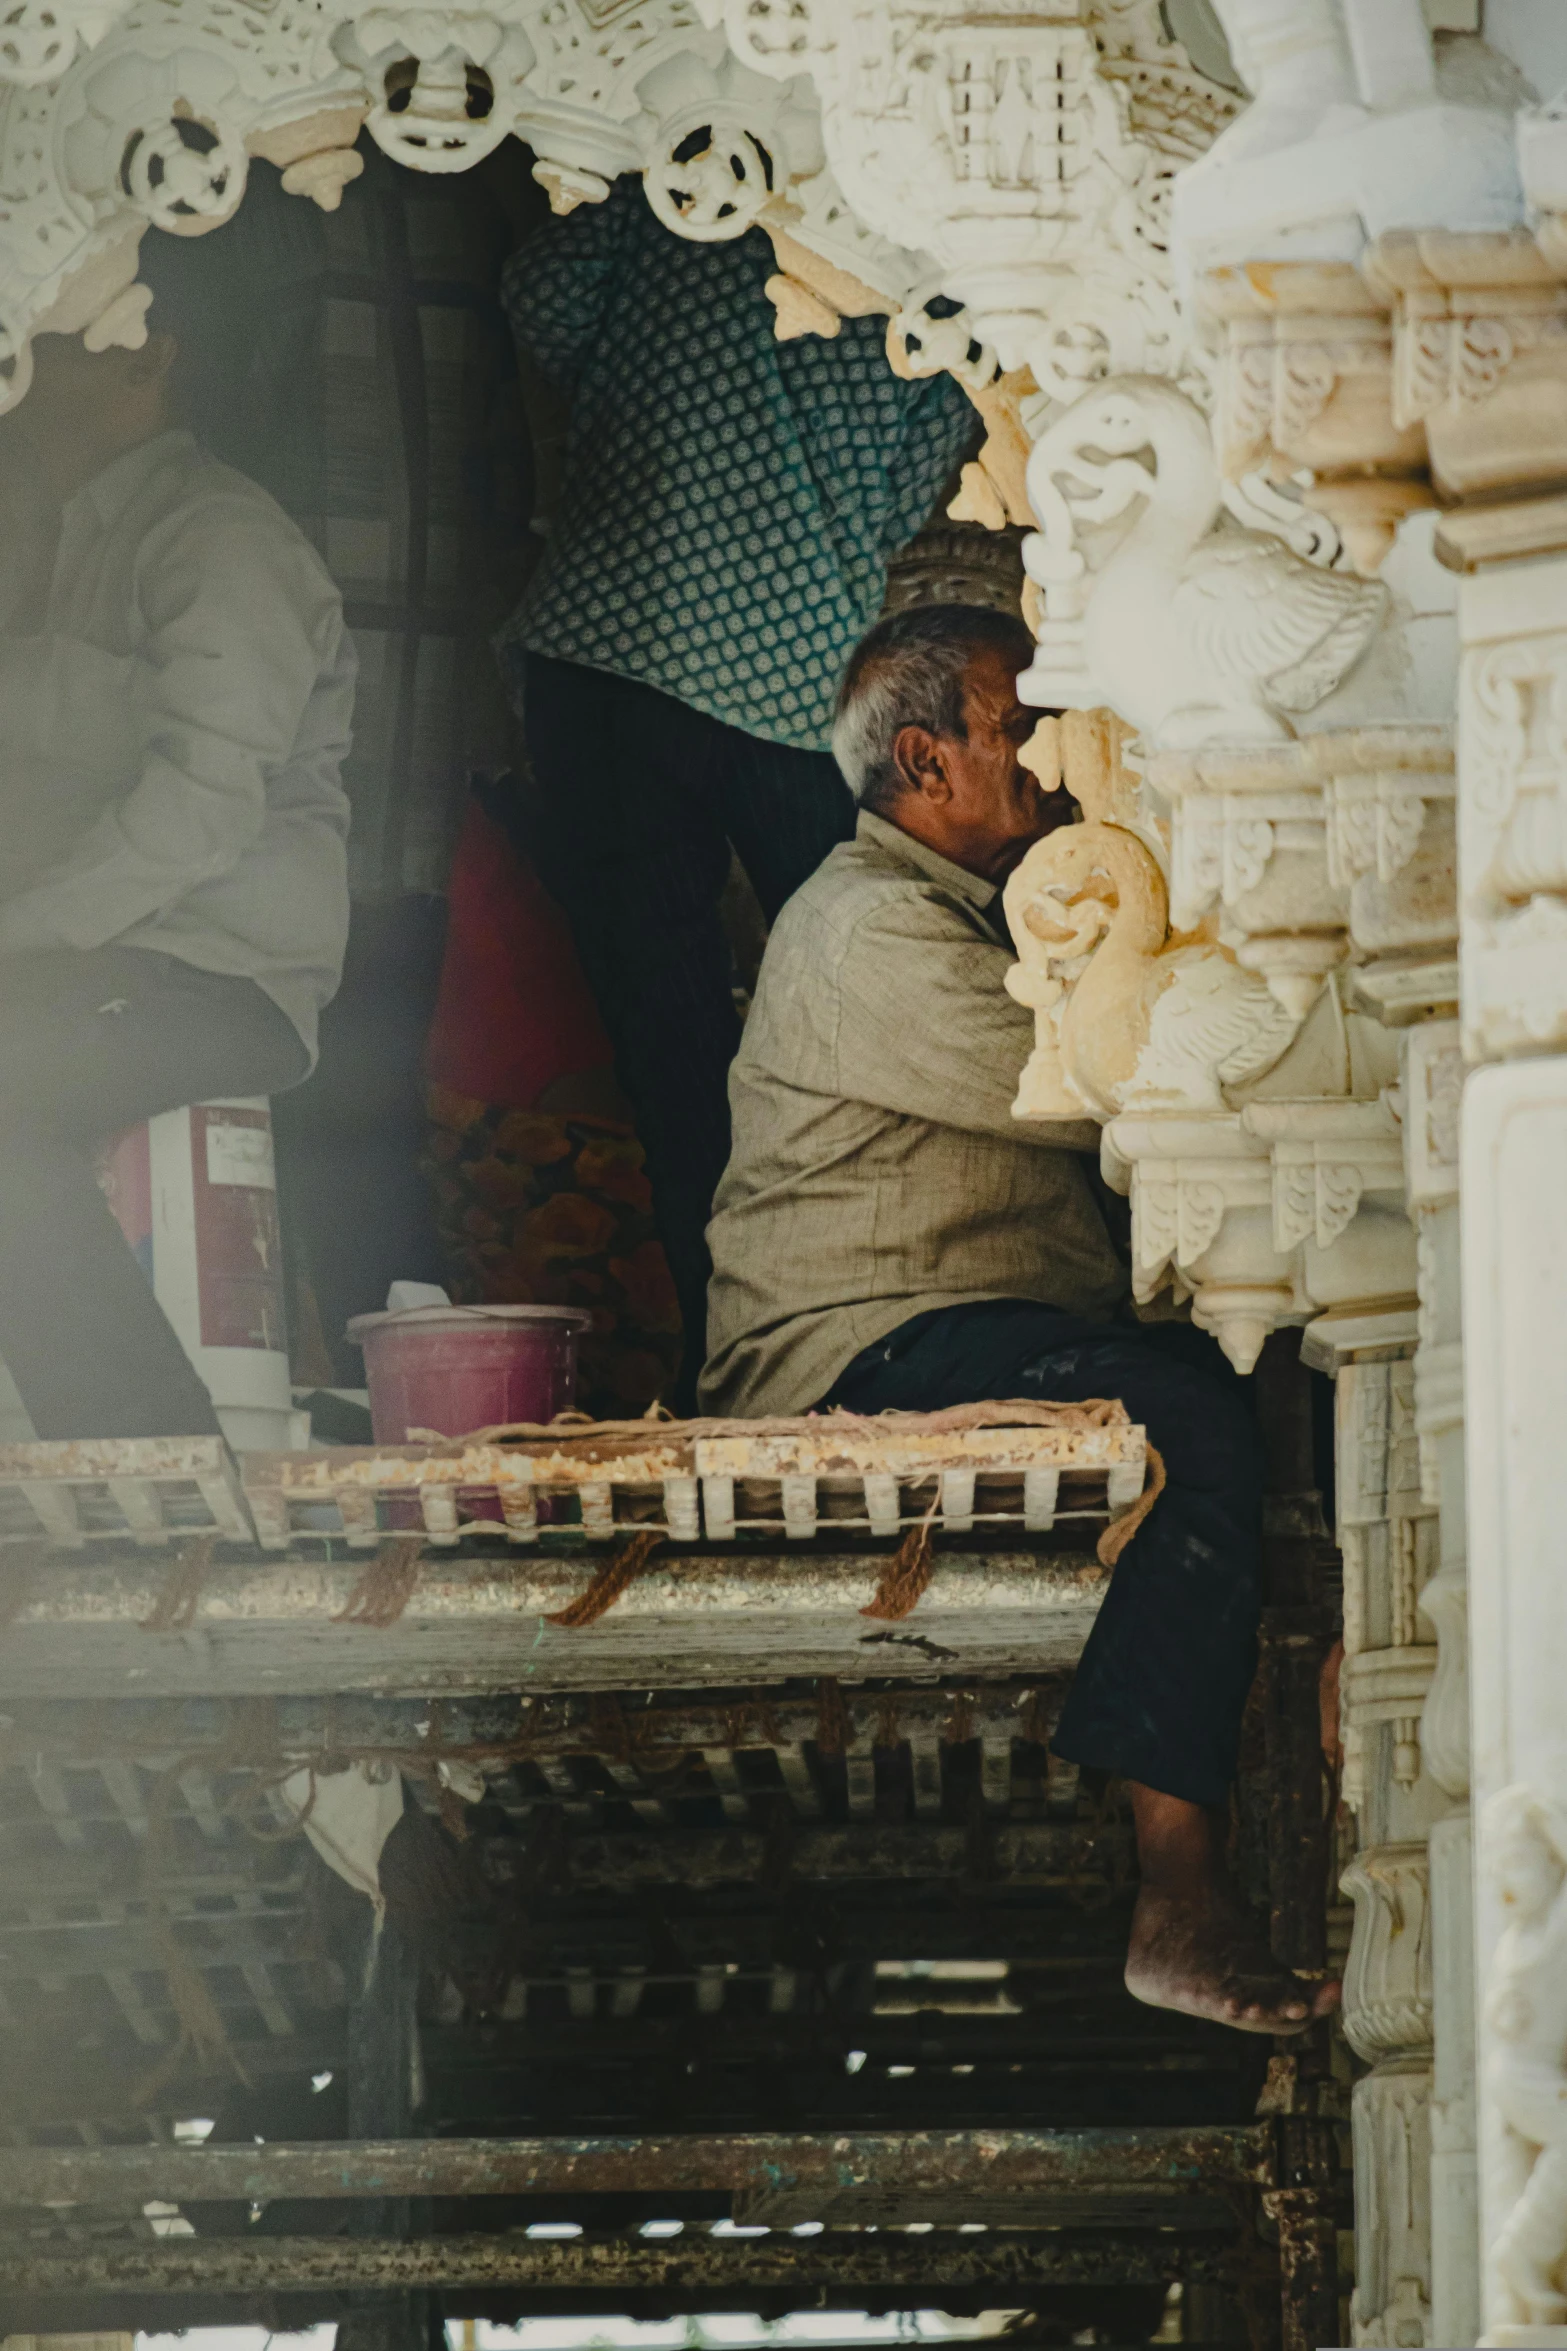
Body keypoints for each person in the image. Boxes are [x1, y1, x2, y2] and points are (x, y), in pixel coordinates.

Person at [700, 602, 1341, 2036]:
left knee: (1204, 1379)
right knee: (1177, 1410)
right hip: (850, 1355)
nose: (1049, 759)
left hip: (960, 1332)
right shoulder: (861, 928)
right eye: (1018, 726)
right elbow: (1097, 1081)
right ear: (923, 760)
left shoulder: (958, 911)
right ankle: (1172, 1884)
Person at [498, 179, 978, 1408]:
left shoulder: (671, 168)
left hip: (611, 641)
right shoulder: (912, 213)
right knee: (854, 1013)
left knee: (668, 1042)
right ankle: (849, 1341)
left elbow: (541, 305)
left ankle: (728, 1364)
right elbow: (936, 445)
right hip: (795, 674)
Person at [0, 308, 354, 1440]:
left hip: (213, 972)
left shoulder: (220, 540)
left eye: (37, 339)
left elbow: (199, 810)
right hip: (68, 960)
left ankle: (145, 1455)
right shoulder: (25, 529)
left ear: (146, 354)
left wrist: (16, 933)